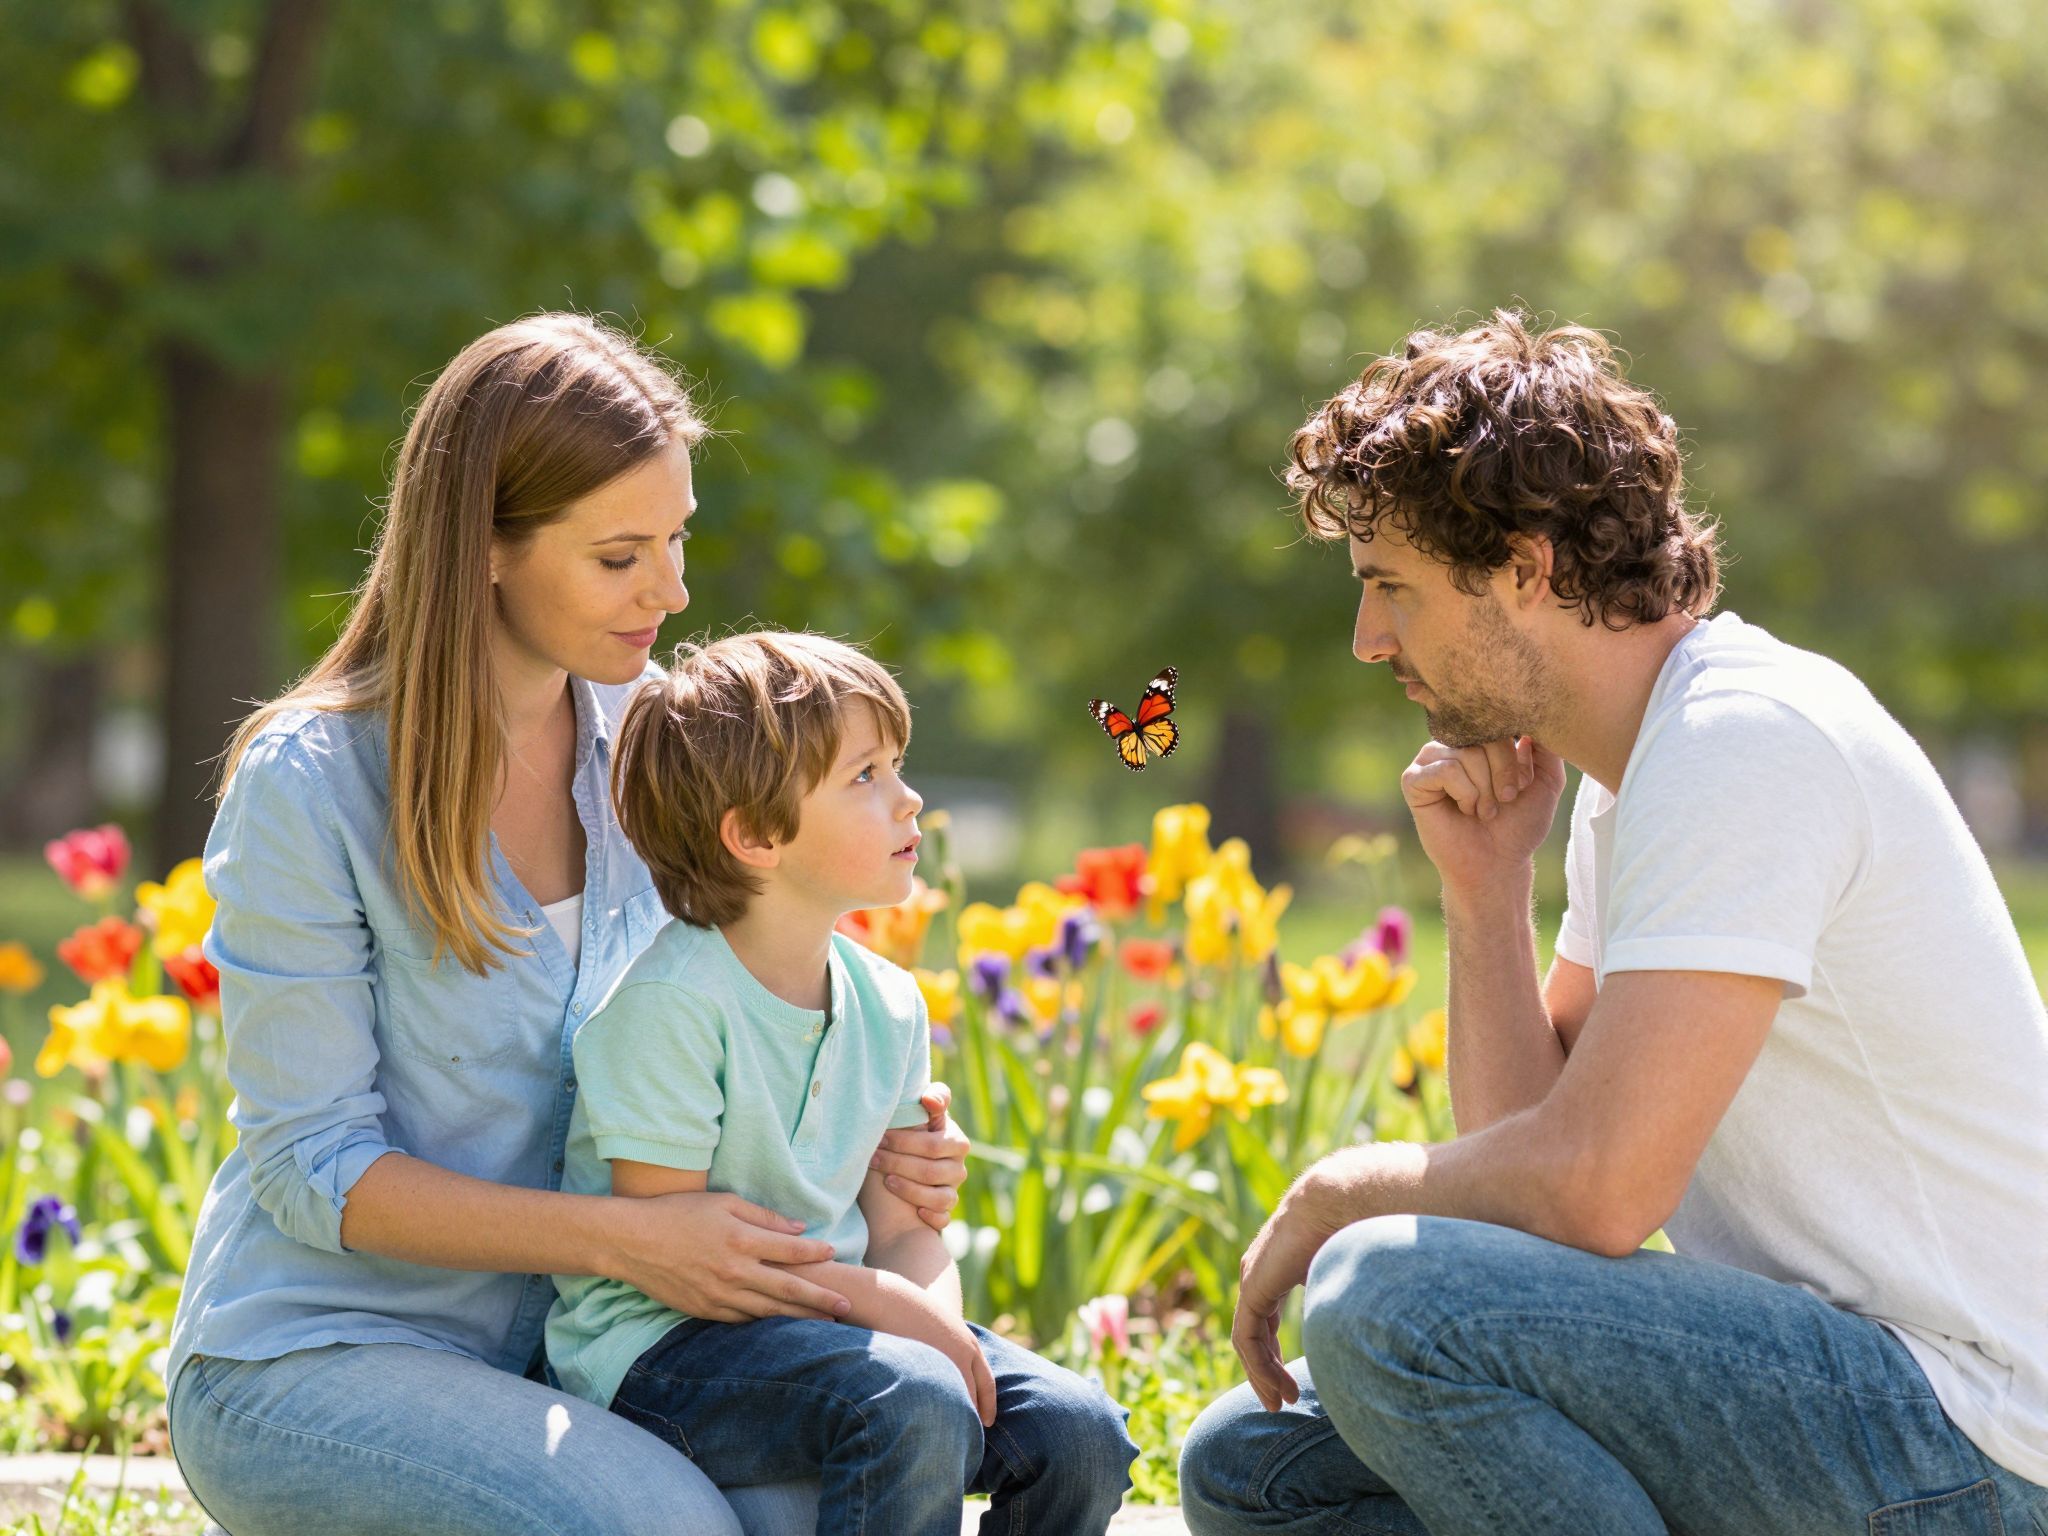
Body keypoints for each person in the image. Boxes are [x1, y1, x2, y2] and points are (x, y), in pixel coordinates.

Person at [1178, 311, 2048, 1534]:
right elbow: (1529, 1169)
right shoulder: (1631, 776)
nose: (1369, 640)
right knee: (1252, 1471)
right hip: (1831, 1396)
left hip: (1971, 1434)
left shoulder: (1741, 743)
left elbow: (1594, 1195)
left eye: (1391, 590)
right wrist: (1485, 894)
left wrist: (1335, 1194)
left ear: (1523, 571)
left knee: (1386, 1296)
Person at [165, 313, 974, 1536]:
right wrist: (626, 1241)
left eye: (676, 538)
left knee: (826, 1503)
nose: (674, 591)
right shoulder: (312, 781)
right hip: (319, 1357)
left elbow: (744, 993)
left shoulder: (658, 739)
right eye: (618, 557)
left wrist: (861, 1133)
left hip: (599, 1357)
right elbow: (309, 1167)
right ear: (483, 546)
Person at [546, 628, 1139, 1535]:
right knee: (906, 1402)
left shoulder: (889, 1002)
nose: (911, 802)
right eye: (865, 777)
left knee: (1080, 1431)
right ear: (752, 835)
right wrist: (893, 1318)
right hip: (663, 1351)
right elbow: (668, 1252)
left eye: (897, 765)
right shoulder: (669, 1006)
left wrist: (930, 1320)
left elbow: (903, 1226)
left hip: (833, 1325)